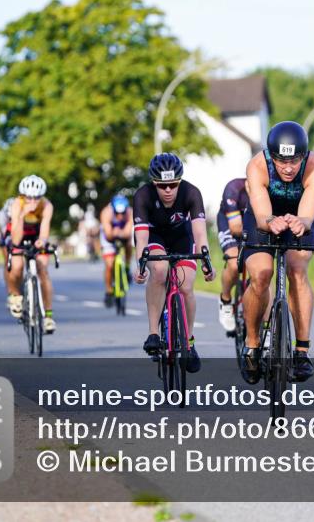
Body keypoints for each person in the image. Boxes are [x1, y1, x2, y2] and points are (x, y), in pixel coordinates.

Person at [240, 121, 314, 384]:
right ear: (271, 156)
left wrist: (303, 222)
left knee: (297, 269)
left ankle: (301, 351)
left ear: (304, 155)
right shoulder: (257, 166)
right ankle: (252, 343)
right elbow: (260, 208)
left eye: (294, 161)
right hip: (262, 217)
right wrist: (269, 221)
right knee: (262, 273)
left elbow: (308, 211)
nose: (288, 168)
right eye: (281, 161)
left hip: (299, 218)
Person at [133, 153, 215, 372]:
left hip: (182, 238)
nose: (168, 190)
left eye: (172, 184)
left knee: (186, 285)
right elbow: (141, 238)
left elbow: (200, 234)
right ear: (154, 183)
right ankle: (153, 333)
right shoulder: (143, 195)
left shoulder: (191, 192)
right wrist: (140, 265)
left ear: (179, 181)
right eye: (162, 186)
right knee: (159, 271)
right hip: (154, 237)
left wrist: (207, 261)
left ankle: (188, 342)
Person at [5, 175, 57, 334]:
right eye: (29, 198)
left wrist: (41, 241)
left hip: (36, 235)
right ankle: (15, 296)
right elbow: (16, 238)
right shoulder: (17, 204)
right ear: (23, 196)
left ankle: (48, 316)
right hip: (19, 233)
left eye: (36, 198)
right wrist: (22, 215)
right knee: (17, 266)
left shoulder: (47, 205)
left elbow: (45, 229)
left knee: (43, 270)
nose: (33, 202)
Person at [216, 177, 250, 332]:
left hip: (253, 225)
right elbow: (236, 228)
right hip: (231, 224)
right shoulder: (234, 188)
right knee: (234, 262)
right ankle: (225, 300)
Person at [100, 194, 133, 307]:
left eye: (122, 213)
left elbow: (128, 233)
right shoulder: (106, 212)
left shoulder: (130, 212)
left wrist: (118, 233)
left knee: (129, 244)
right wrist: (117, 233)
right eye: (117, 213)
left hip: (122, 235)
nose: (120, 215)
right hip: (108, 238)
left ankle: (127, 267)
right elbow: (108, 234)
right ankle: (109, 291)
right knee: (109, 264)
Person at [0, 196, 15, 292]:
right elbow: (4, 231)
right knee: (8, 260)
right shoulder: (2, 215)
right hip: (5, 235)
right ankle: (9, 286)